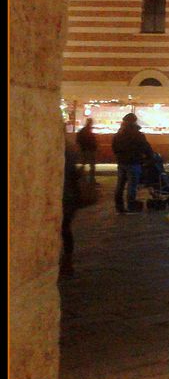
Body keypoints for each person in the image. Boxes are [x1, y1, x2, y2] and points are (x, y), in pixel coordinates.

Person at [111, 112, 153, 213]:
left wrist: (119, 156)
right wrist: (149, 157)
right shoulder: (137, 134)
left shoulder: (118, 135)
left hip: (122, 162)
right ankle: (131, 205)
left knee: (120, 184)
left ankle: (119, 206)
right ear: (134, 121)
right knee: (132, 185)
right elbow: (145, 147)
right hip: (134, 162)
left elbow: (114, 148)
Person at [61, 148, 82, 278]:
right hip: (67, 196)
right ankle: (67, 261)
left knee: (64, 229)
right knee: (65, 229)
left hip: (64, 196)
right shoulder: (69, 150)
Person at [76, 117, 98, 185]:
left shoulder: (83, 130)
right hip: (89, 150)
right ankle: (91, 180)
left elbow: (78, 140)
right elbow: (91, 141)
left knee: (84, 164)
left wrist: (81, 147)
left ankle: (81, 178)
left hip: (85, 149)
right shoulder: (88, 130)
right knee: (92, 165)